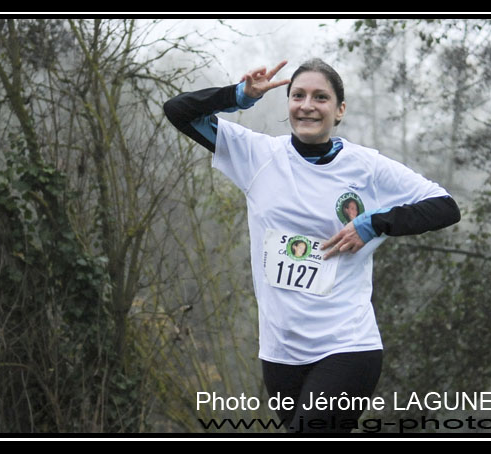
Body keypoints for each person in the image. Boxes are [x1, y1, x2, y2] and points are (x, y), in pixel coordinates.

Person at [163, 58, 461, 434]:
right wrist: (238, 95)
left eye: (321, 97)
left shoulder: (367, 167)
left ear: (339, 110)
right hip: (280, 351)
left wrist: (373, 223)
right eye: (298, 96)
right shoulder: (257, 155)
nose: (307, 105)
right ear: (288, 104)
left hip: (347, 345)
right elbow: (178, 111)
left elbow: (445, 207)